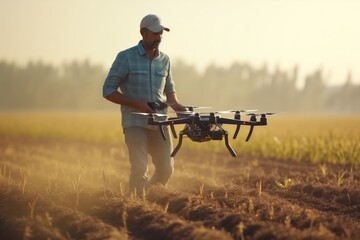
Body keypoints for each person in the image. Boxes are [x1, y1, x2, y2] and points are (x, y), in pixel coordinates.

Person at [102, 14, 187, 195]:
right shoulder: (126, 57)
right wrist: (137, 104)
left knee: (166, 170)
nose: (159, 37)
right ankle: (137, 206)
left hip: (160, 123)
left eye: (161, 33)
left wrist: (180, 108)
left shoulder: (165, 60)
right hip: (135, 123)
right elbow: (108, 90)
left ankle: (149, 199)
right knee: (140, 169)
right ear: (143, 33)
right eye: (155, 33)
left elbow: (170, 91)